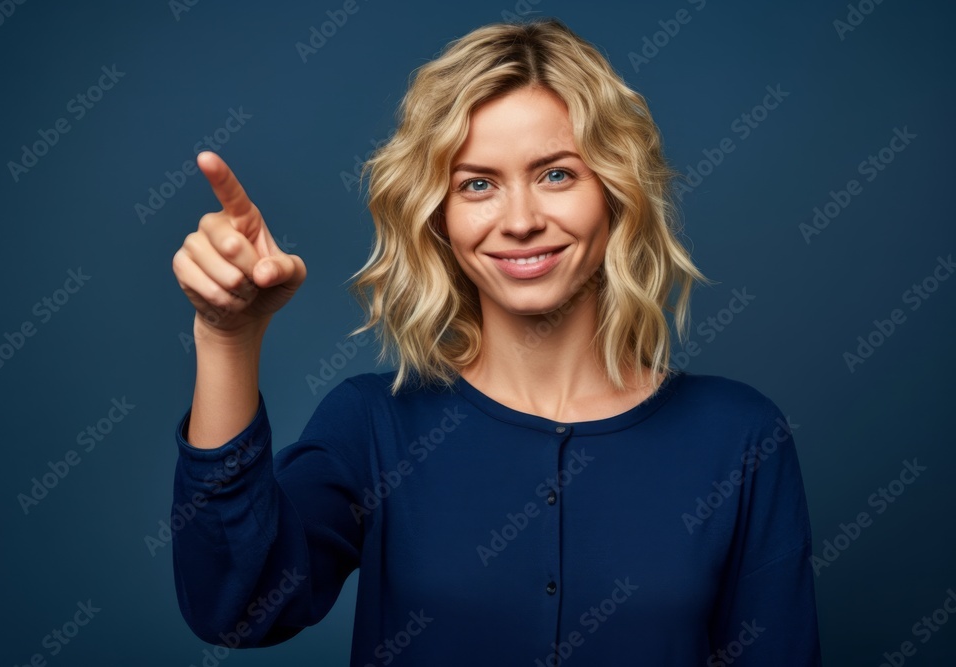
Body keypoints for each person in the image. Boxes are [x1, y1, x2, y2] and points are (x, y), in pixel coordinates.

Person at [169, 17, 822, 666]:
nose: (520, 221)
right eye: (477, 184)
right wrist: (228, 334)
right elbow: (237, 605)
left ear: (615, 194)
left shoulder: (739, 437)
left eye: (557, 174)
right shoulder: (373, 424)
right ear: (440, 218)